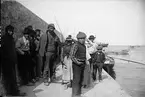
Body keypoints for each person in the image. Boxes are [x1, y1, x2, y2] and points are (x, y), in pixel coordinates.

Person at [1, 25, 25, 96]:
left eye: (11, 31)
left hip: (12, 62)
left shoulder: (11, 39)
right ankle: (12, 92)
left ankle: (14, 92)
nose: (10, 32)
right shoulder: (4, 38)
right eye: (9, 30)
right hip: (6, 62)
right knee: (9, 78)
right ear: (6, 30)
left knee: (13, 78)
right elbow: (2, 51)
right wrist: (6, 59)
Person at [70, 31, 87, 97]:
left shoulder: (84, 46)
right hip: (76, 65)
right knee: (76, 80)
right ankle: (74, 94)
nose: (83, 40)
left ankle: (78, 93)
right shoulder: (75, 45)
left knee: (80, 79)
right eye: (81, 39)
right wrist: (77, 62)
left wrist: (85, 62)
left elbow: (84, 55)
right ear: (78, 39)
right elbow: (72, 55)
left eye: (84, 38)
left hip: (82, 64)